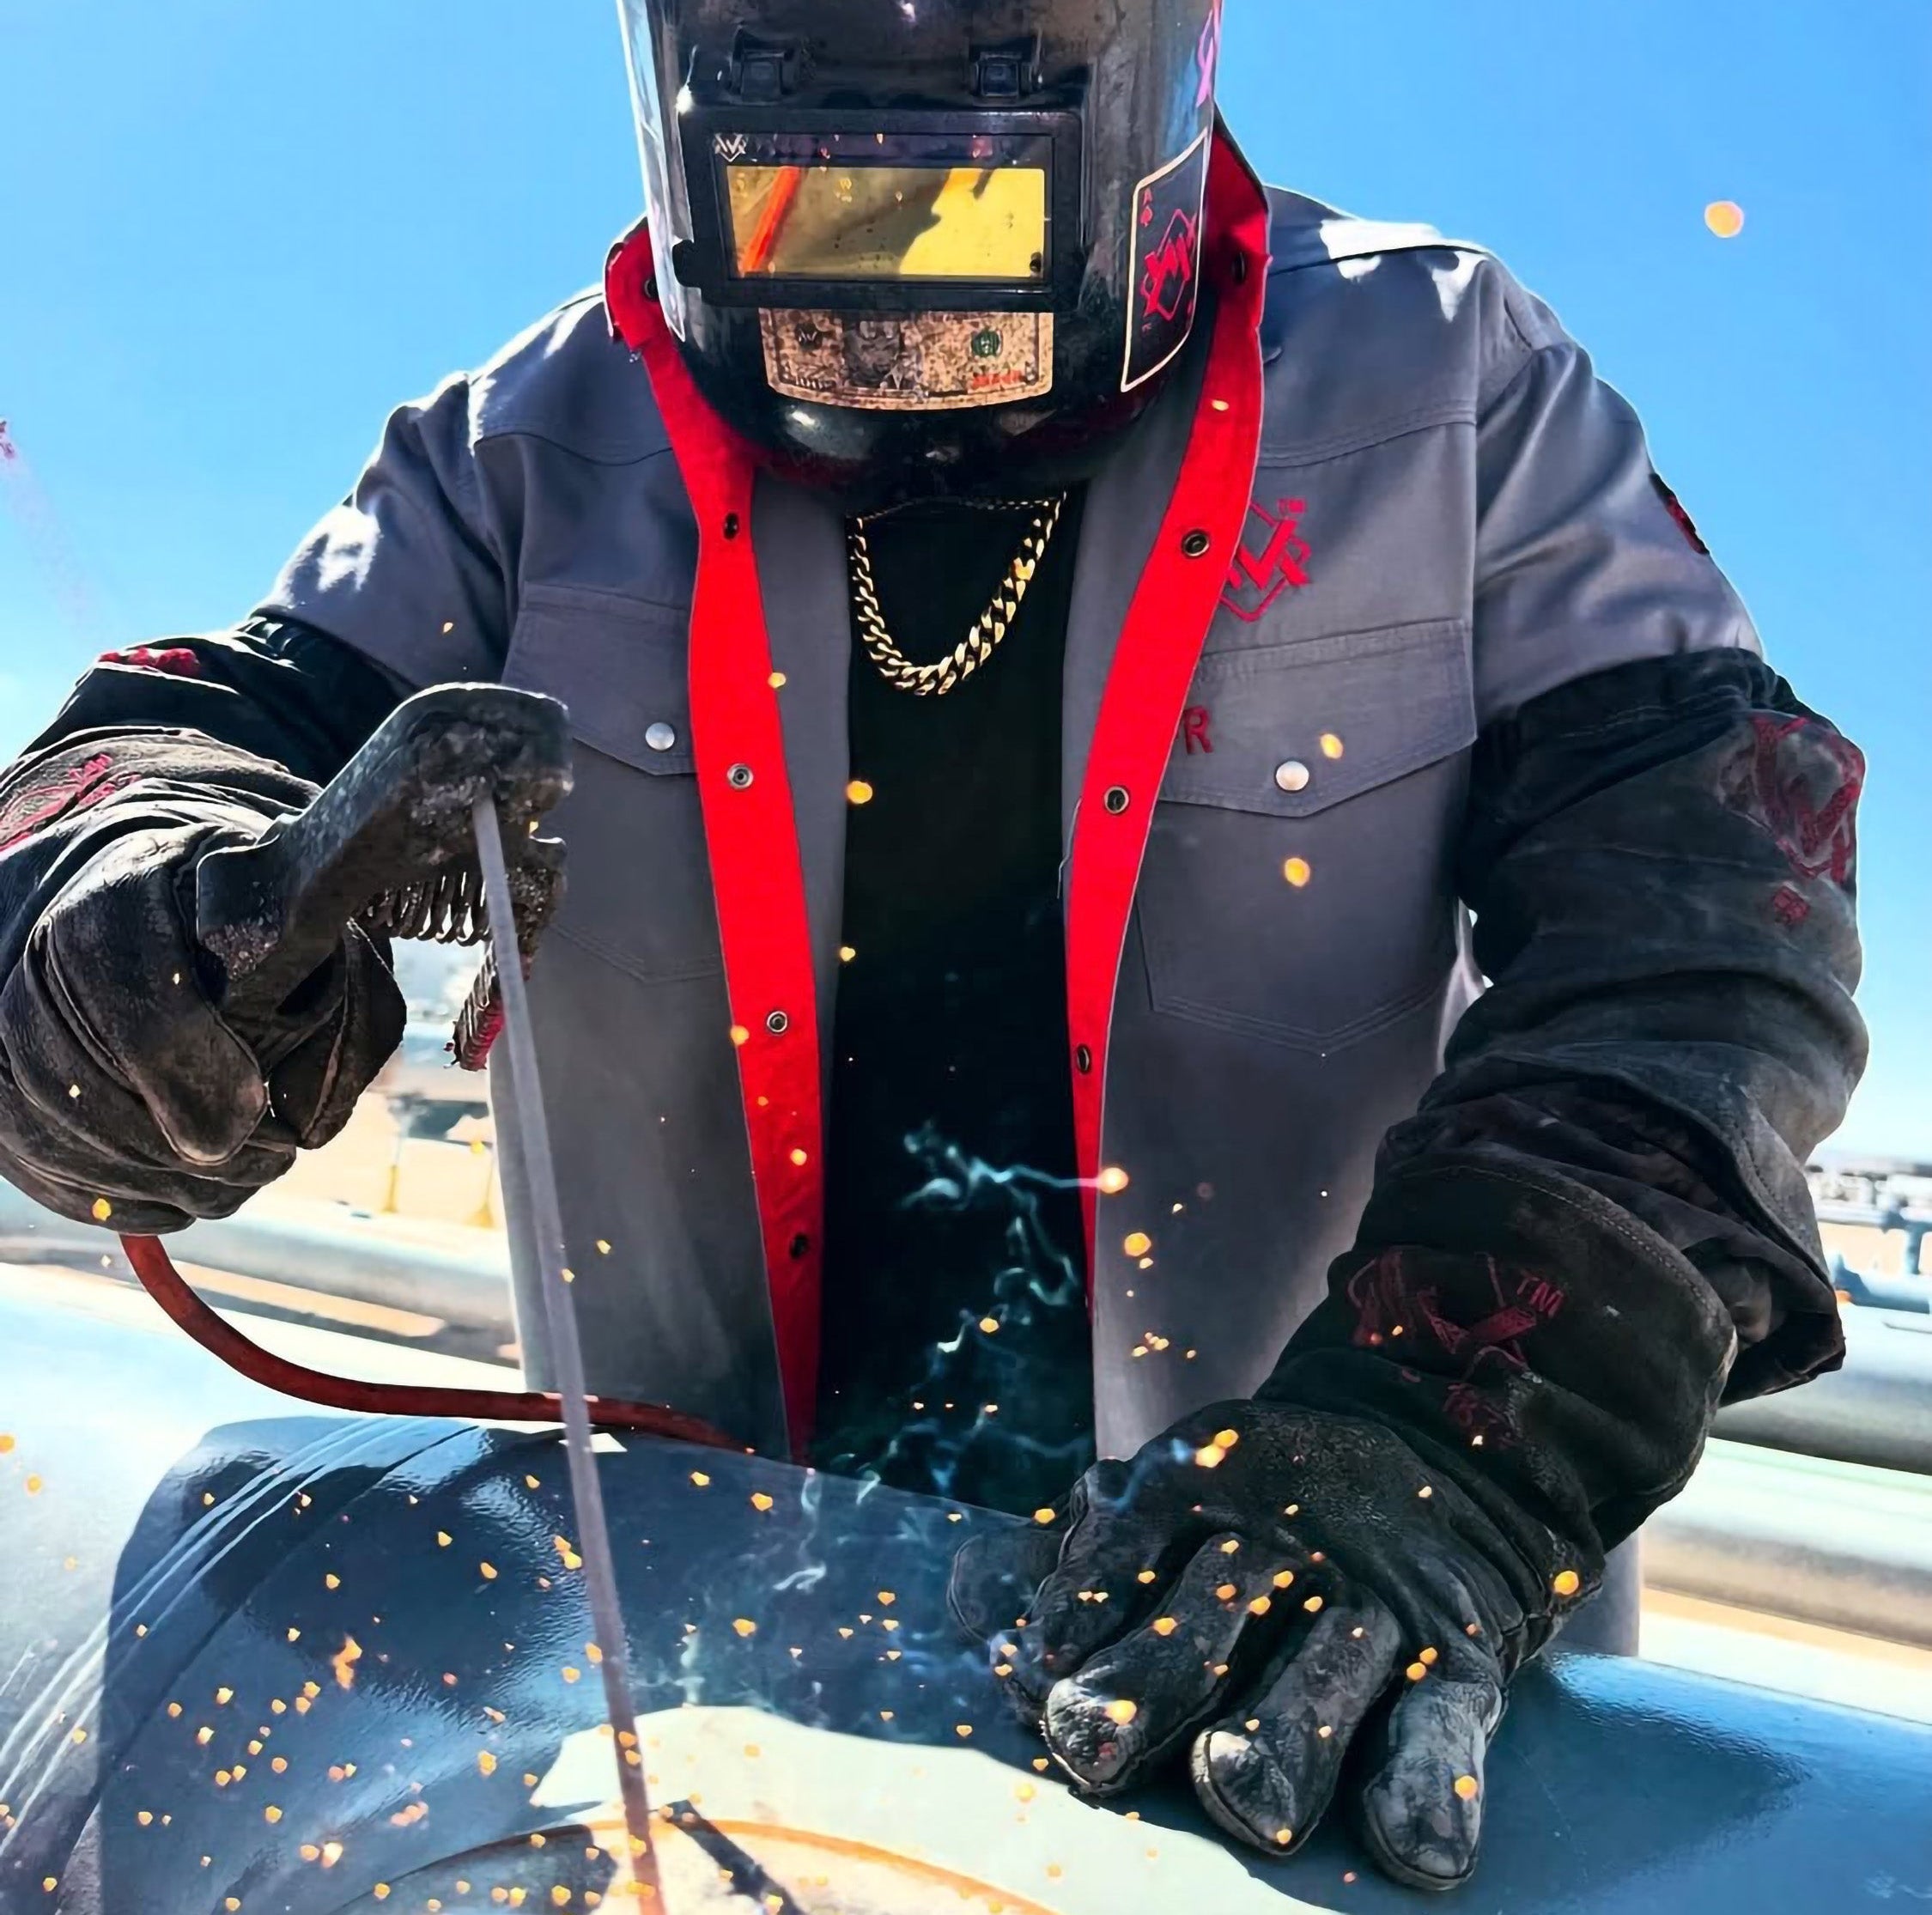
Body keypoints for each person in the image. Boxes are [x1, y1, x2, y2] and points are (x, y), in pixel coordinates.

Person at [0, 0, 1866, 1892]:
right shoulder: (525, 446)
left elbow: (1706, 917)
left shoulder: (1446, 378)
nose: (891, 278)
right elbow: (181, 736)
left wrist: (1458, 1422)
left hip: (1309, 1655)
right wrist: (129, 937)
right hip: (706, 1665)